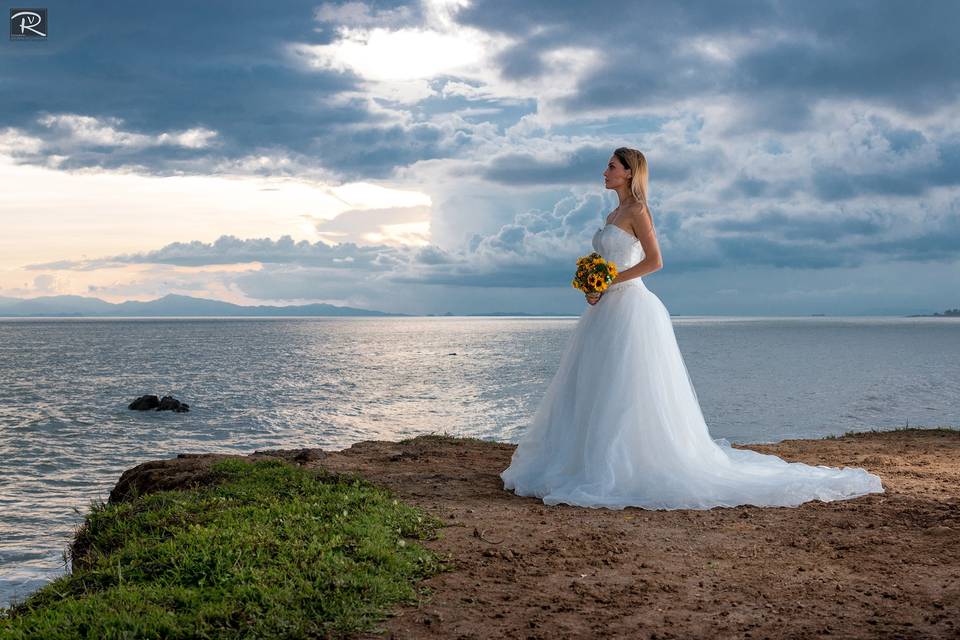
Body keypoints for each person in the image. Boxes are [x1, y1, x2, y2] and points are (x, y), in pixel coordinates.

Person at [499, 147, 884, 510]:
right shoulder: (611, 217)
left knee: (626, 385)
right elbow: (611, 264)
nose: (605, 172)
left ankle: (628, 463)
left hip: (632, 306)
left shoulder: (638, 211)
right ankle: (585, 459)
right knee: (594, 383)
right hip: (605, 310)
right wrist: (593, 286)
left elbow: (655, 262)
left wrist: (611, 281)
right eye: (607, 167)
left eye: (612, 167)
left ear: (630, 173)